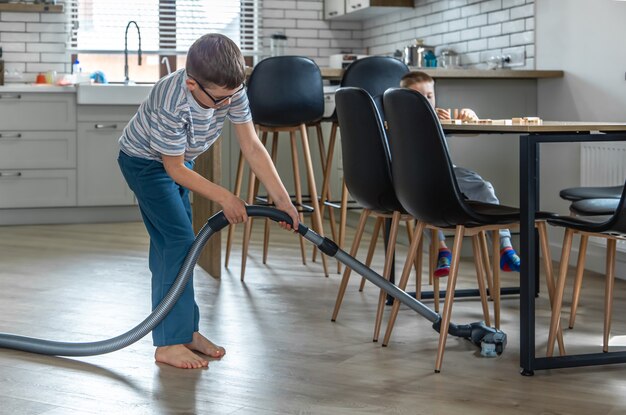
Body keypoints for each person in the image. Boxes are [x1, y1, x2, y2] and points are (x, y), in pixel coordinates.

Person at [117, 34, 299, 369]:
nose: (227, 105)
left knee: (172, 249)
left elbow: (252, 146)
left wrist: (283, 200)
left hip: (180, 163)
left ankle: (184, 332)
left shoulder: (231, 90)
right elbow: (170, 167)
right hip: (145, 163)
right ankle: (169, 344)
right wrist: (225, 197)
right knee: (180, 244)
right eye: (219, 100)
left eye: (232, 97)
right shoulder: (170, 100)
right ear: (191, 85)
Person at [399, 71, 521, 277]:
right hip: (412, 179)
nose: (425, 101)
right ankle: (441, 249)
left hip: (445, 173)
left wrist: (470, 116)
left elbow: (472, 131)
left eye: (429, 96)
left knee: (483, 187)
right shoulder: (398, 117)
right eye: (416, 96)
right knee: (424, 197)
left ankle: (505, 248)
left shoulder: (438, 116)